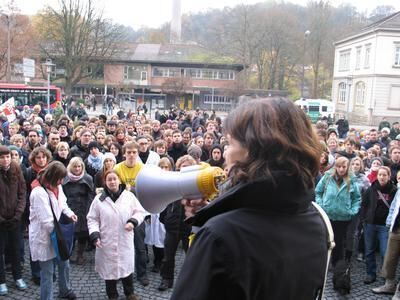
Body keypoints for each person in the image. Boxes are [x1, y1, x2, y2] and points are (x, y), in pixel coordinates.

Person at [171, 98, 329, 299]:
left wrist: (215, 227)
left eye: (230, 143)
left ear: (254, 150)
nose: (226, 152)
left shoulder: (220, 236)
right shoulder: (316, 220)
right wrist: (216, 213)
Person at [87, 170, 147, 300]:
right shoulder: (99, 199)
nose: (112, 182)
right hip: (106, 240)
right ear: (105, 182)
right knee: (109, 272)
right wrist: (95, 235)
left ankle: (129, 293)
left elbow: (140, 212)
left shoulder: (129, 196)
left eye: (114, 179)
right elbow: (92, 219)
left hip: (124, 239)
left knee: (126, 268)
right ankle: (112, 295)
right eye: (109, 180)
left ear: (119, 180)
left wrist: (133, 221)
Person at [29, 161, 78, 300]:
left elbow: (62, 204)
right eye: (59, 178)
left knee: (64, 264)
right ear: (52, 176)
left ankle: (65, 290)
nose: (61, 181)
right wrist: (61, 235)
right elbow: (47, 221)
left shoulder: (57, 186)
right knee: (48, 272)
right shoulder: (38, 192)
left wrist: (69, 213)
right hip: (44, 236)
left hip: (57, 233)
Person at [316, 157, 361, 267]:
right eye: (339, 166)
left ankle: (336, 265)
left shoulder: (351, 180)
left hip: (343, 217)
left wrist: (352, 211)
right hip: (327, 215)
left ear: (347, 167)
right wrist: (321, 206)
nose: (341, 169)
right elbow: (318, 192)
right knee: (324, 240)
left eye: (344, 167)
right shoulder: (327, 177)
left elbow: (357, 198)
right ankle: (322, 263)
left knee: (339, 242)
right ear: (335, 167)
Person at [361, 166, 397, 284]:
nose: (382, 177)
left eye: (384, 175)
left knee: (384, 251)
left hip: (384, 226)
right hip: (370, 224)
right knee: (369, 250)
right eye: (380, 174)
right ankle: (370, 273)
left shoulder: (394, 190)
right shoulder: (371, 189)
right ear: (377, 176)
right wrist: (364, 219)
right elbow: (364, 204)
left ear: (389, 176)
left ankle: (384, 273)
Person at [0, 146, 27, 296]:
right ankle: (1, 280)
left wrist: (18, 214)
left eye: (8, 156)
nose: (6, 160)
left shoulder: (16, 170)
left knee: (16, 249)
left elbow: (22, 193)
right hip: (0, 221)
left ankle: (18, 277)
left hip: (15, 219)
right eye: (2, 157)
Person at [63, 157, 95, 265]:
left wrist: (89, 210)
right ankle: (68, 254)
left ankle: (80, 255)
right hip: (70, 207)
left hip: (83, 208)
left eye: (79, 166)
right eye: (75, 166)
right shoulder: (65, 178)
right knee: (70, 233)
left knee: (82, 234)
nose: (77, 169)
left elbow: (91, 195)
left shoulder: (88, 178)